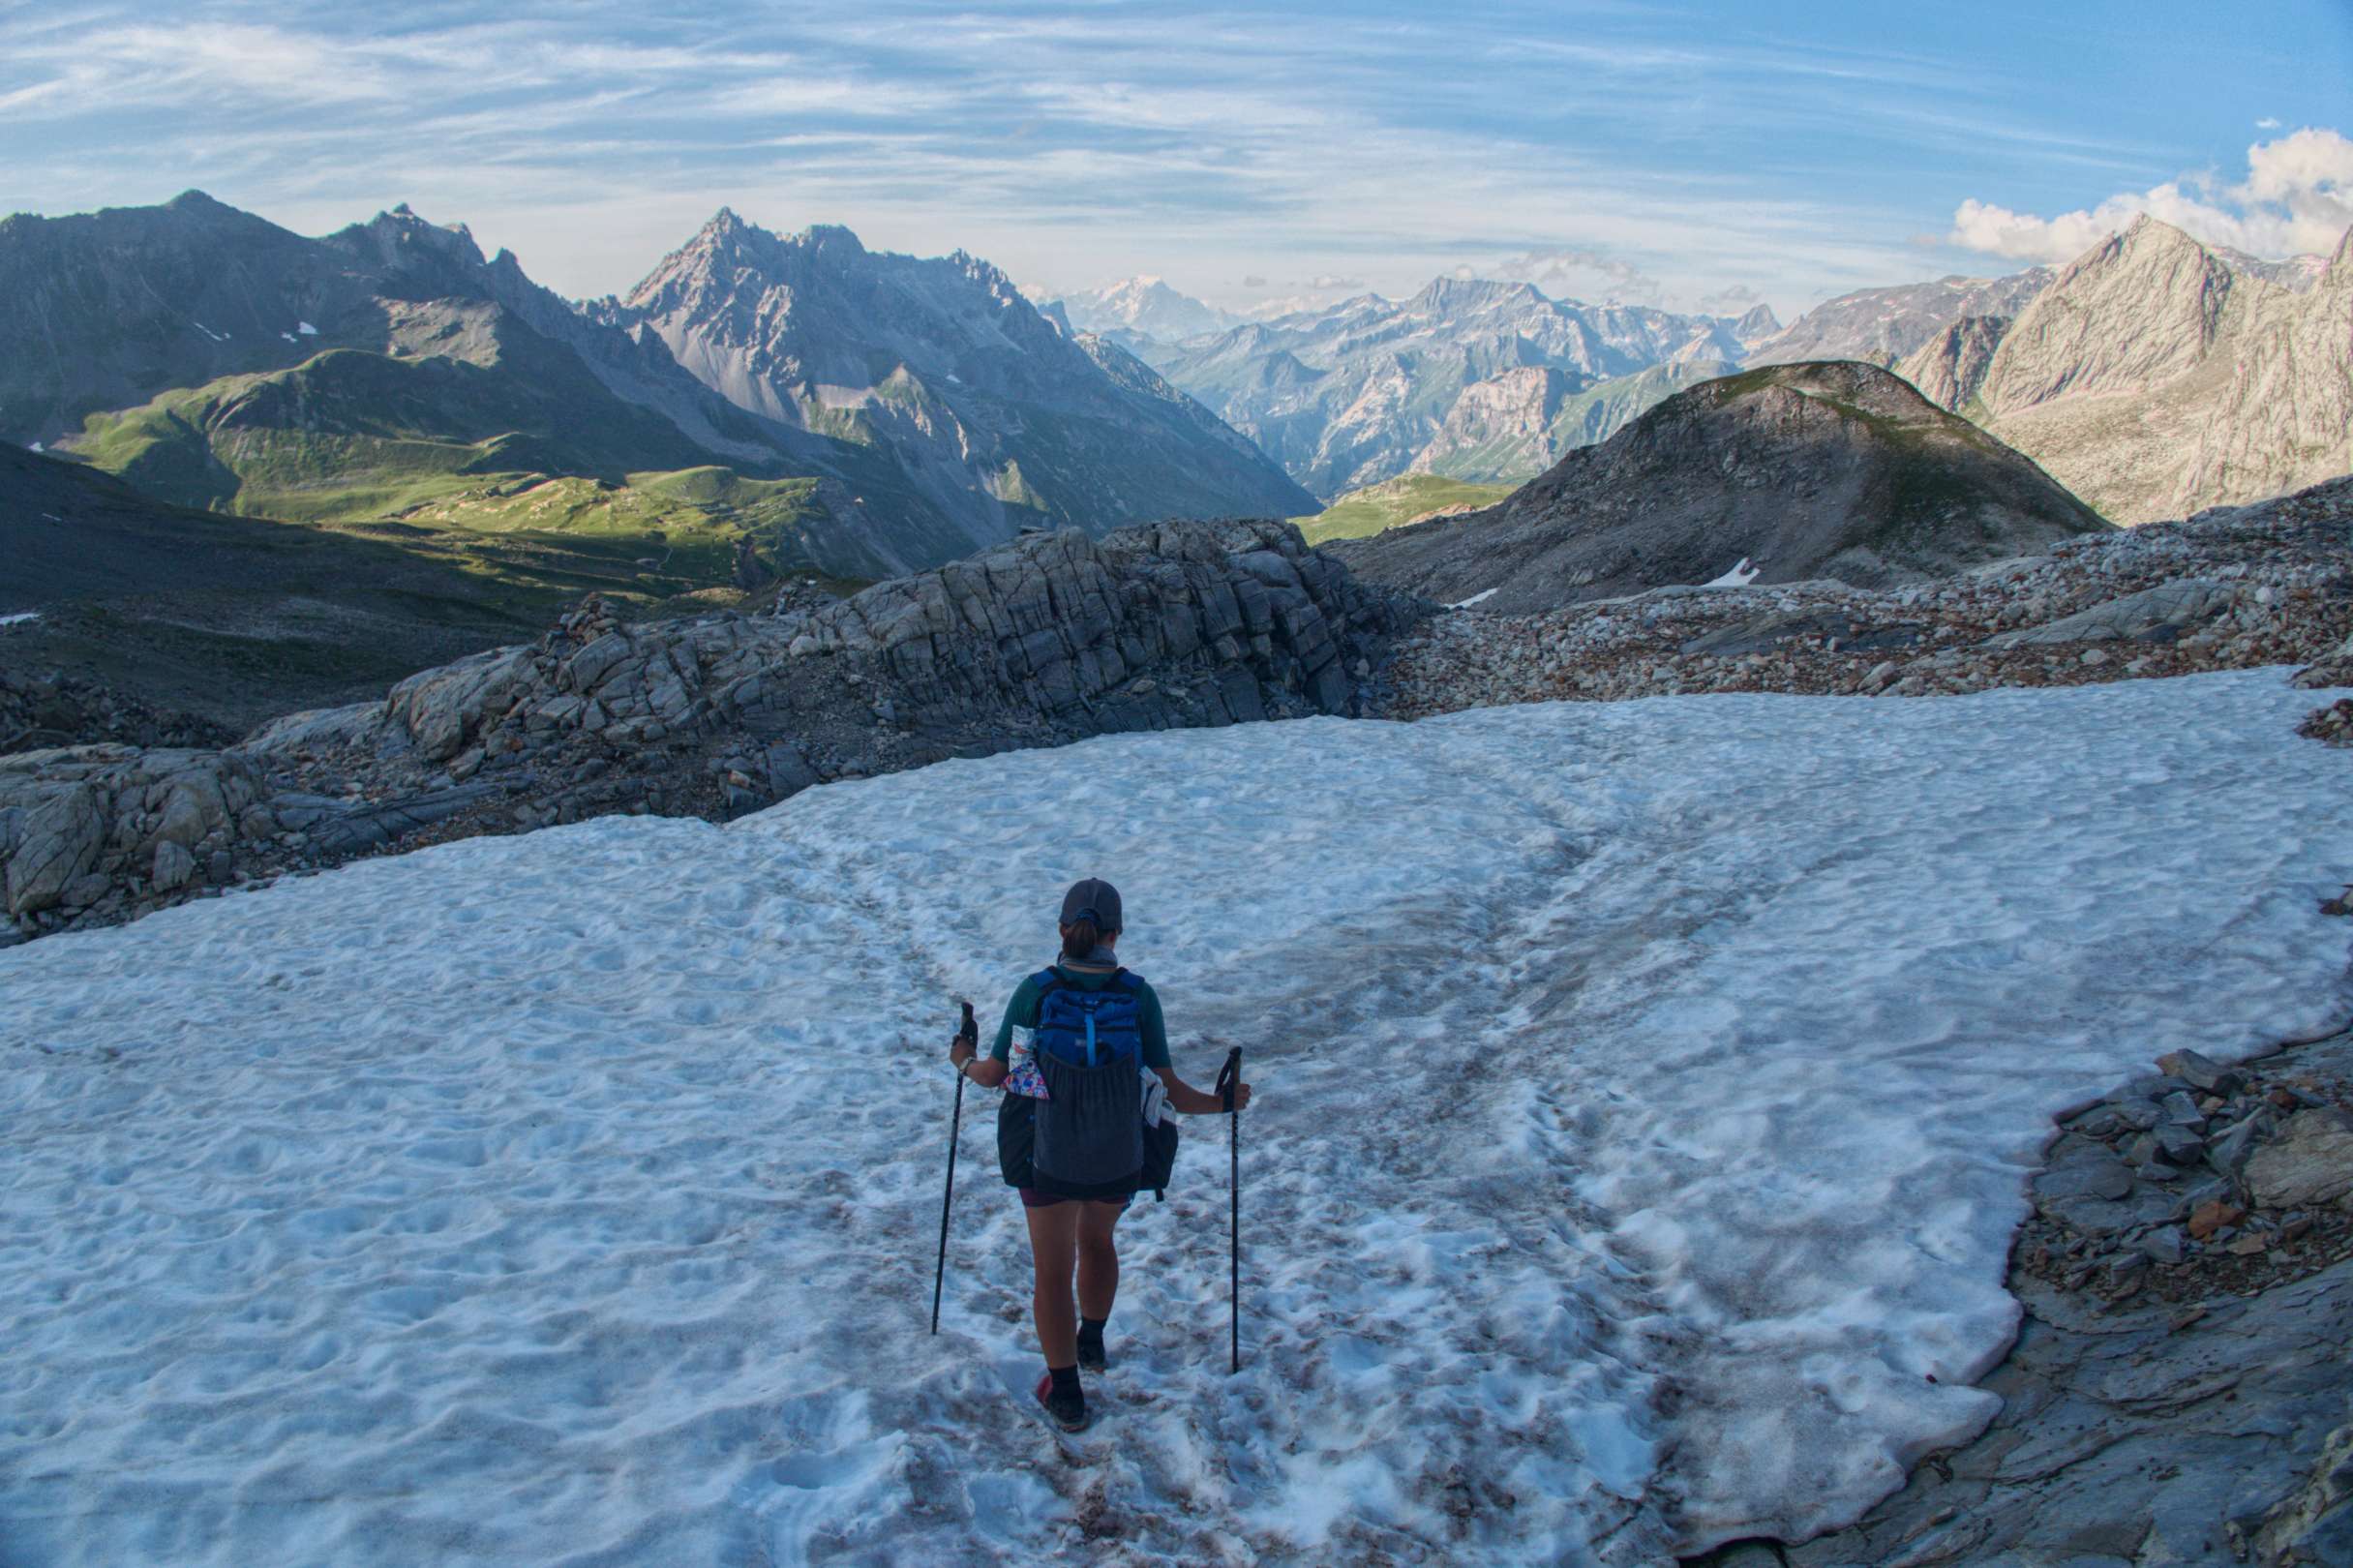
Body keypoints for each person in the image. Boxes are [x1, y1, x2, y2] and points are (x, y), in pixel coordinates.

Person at [948, 876, 1252, 1432]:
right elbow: (1168, 1090)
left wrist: (962, 1057)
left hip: (1043, 1153)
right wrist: (1223, 1103)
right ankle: (1091, 1341)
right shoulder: (1137, 995)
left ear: (1063, 930)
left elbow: (994, 1076)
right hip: (1118, 1153)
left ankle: (1066, 1394)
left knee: (1052, 1269)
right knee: (1097, 1241)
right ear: (1116, 934)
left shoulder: (1036, 991)